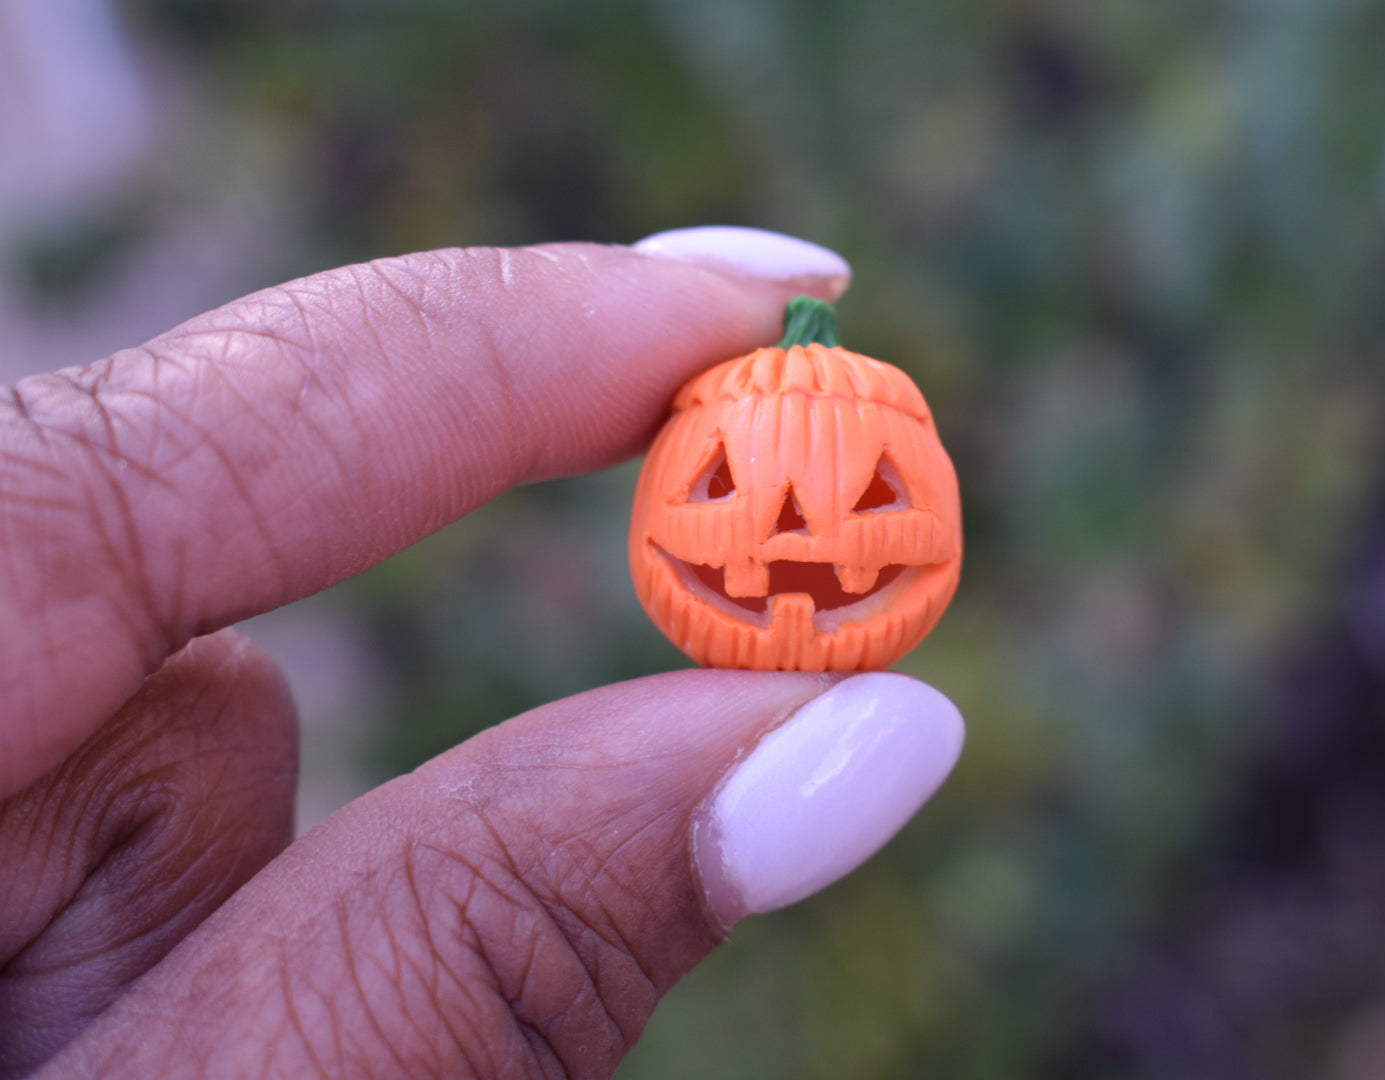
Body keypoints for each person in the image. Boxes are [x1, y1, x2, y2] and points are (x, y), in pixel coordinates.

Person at [0, 226, 964, 1078]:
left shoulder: (867, 413)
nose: (792, 532)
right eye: (722, 485)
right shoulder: (746, 424)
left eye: (875, 493)